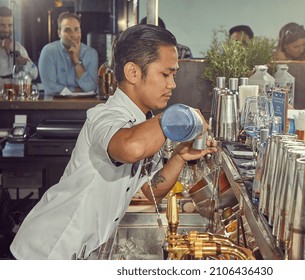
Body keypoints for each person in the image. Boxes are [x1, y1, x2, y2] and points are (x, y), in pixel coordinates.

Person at [10, 24, 216, 260]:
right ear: (132, 72)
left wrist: (179, 157)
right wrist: (178, 118)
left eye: (174, 75)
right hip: (48, 251)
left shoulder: (144, 125)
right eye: (165, 74)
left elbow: (150, 192)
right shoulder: (105, 115)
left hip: (82, 252)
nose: (172, 85)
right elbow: (130, 148)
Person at [38, 11, 98, 95]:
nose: (73, 34)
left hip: (84, 106)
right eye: (67, 30)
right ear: (59, 33)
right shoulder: (48, 51)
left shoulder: (91, 53)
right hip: (54, 105)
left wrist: (77, 62)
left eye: (76, 29)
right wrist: (77, 91)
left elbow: (91, 88)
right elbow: (50, 88)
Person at [0, 6, 38, 87]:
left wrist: (23, 61)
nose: (6, 29)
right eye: (2, 25)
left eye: (10, 25)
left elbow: (35, 73)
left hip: (16, 97)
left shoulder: (18, 47)